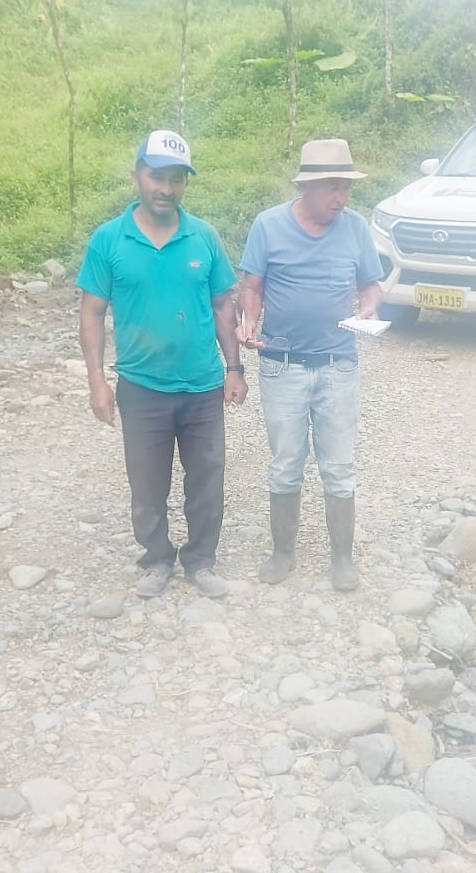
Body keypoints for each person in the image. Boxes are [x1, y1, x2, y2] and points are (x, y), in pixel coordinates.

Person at [77, 130, 246, 600]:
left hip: (202, 385)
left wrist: (234, 368)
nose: (166, 189)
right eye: (157, 177)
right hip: (141, 386)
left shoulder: (204, 236)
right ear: (137, 176)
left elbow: (223, 305)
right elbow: (91, 313)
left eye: (176, 179)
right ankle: (156, 559)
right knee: (147, 483)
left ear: (185, 183)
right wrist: (97, 381)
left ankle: (201, 561)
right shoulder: (109, 239)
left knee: (207, 479)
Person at [237, 138, 383, 592]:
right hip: (281, 365)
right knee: (285, 463)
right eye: (333, 188)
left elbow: (371, 284)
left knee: (338, 465)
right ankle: (283, 551)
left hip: (338, 364)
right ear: (307, 187)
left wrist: (369, 308)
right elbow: (252, 286)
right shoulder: (268, 225)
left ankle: (342, 556)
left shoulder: (355, 228)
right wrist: (248, 320)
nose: (341, 198)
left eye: (346, 188)